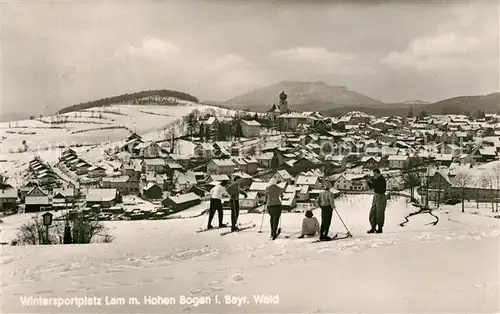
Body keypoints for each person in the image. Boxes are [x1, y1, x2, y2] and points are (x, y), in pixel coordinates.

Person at [367, 168, 387, 234]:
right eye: (374, 174)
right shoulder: (376, 179)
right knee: (373, 211)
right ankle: (373, 227)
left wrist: (373, 180)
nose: (374, 175)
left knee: (380, 212)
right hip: (376, 195)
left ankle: (380, 228)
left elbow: (379, 187)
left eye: (375, 174)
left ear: (379, 173)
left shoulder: (381, 179)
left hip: (381, 196)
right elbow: (372, 187)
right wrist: (368, 182)